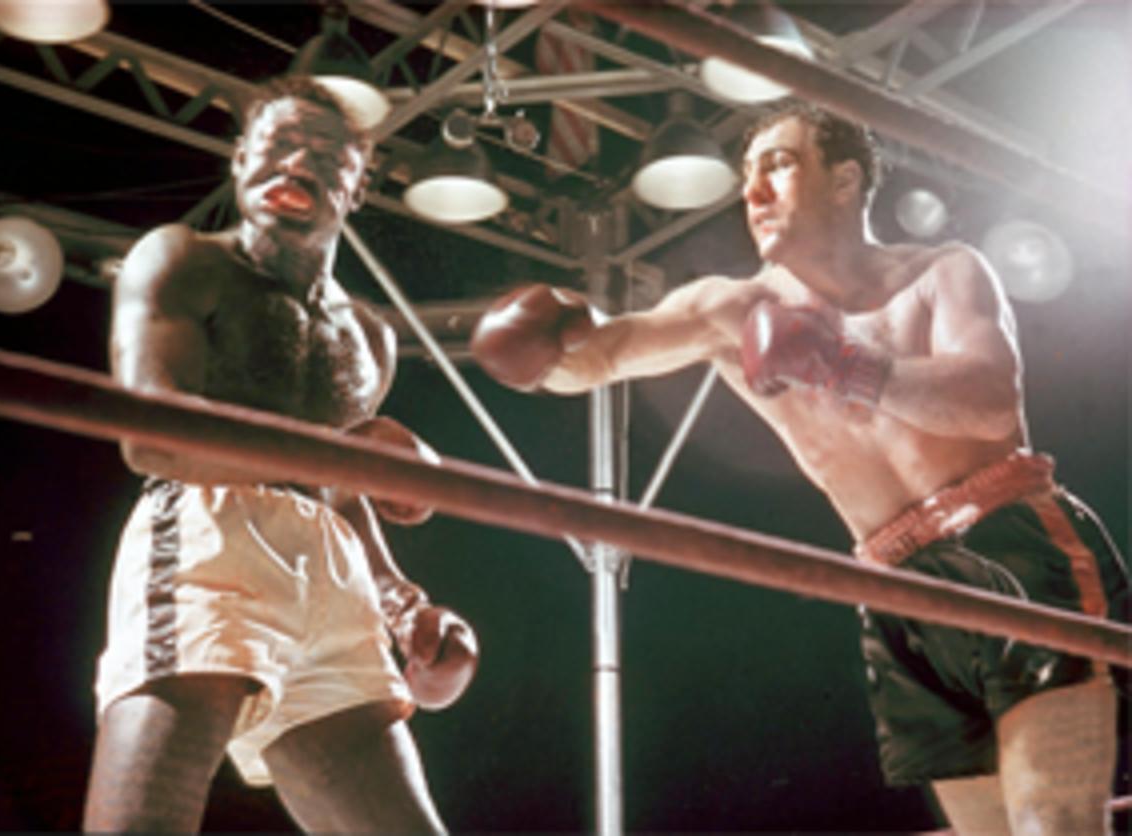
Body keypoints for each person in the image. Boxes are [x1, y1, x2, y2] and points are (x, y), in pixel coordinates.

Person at [470, 100, 1128, 835]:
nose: (753, 193)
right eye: (747, 175)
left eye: (779, 165)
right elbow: (604, 354)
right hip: (893, 585)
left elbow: (986, 404)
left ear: (845, 181)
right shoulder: (730, 307)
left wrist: (843, 364)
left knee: (1056, 825)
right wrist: (539, 350)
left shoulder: (944, 272)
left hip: (1007, 541)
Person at [85, 75, 479, 833]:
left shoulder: (369, 336)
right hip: (207, 539)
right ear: (239, 161)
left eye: (325, 155)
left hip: (331, 573)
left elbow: (338, 490)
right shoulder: (180, 259)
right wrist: (340, 451)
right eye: (278, 145)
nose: (296, 164)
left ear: (358, 188)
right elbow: (151, 435)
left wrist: (403, 602)